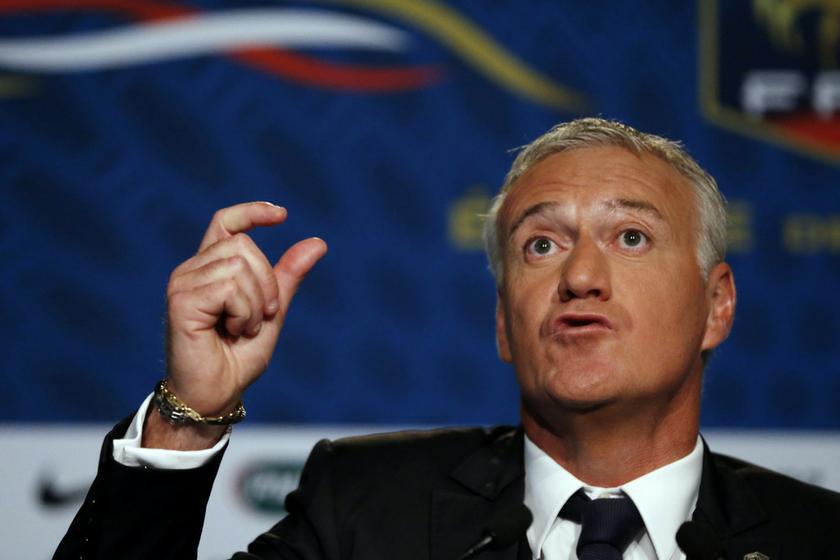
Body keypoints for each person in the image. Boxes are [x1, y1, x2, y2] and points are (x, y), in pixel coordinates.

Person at [55, 118, 840, 560]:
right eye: (542, 245)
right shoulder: (363, 512)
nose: (580, 277)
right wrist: (190, 411)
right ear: (504, 320)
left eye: (630, 237)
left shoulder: (817, 542)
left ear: (717, 305)